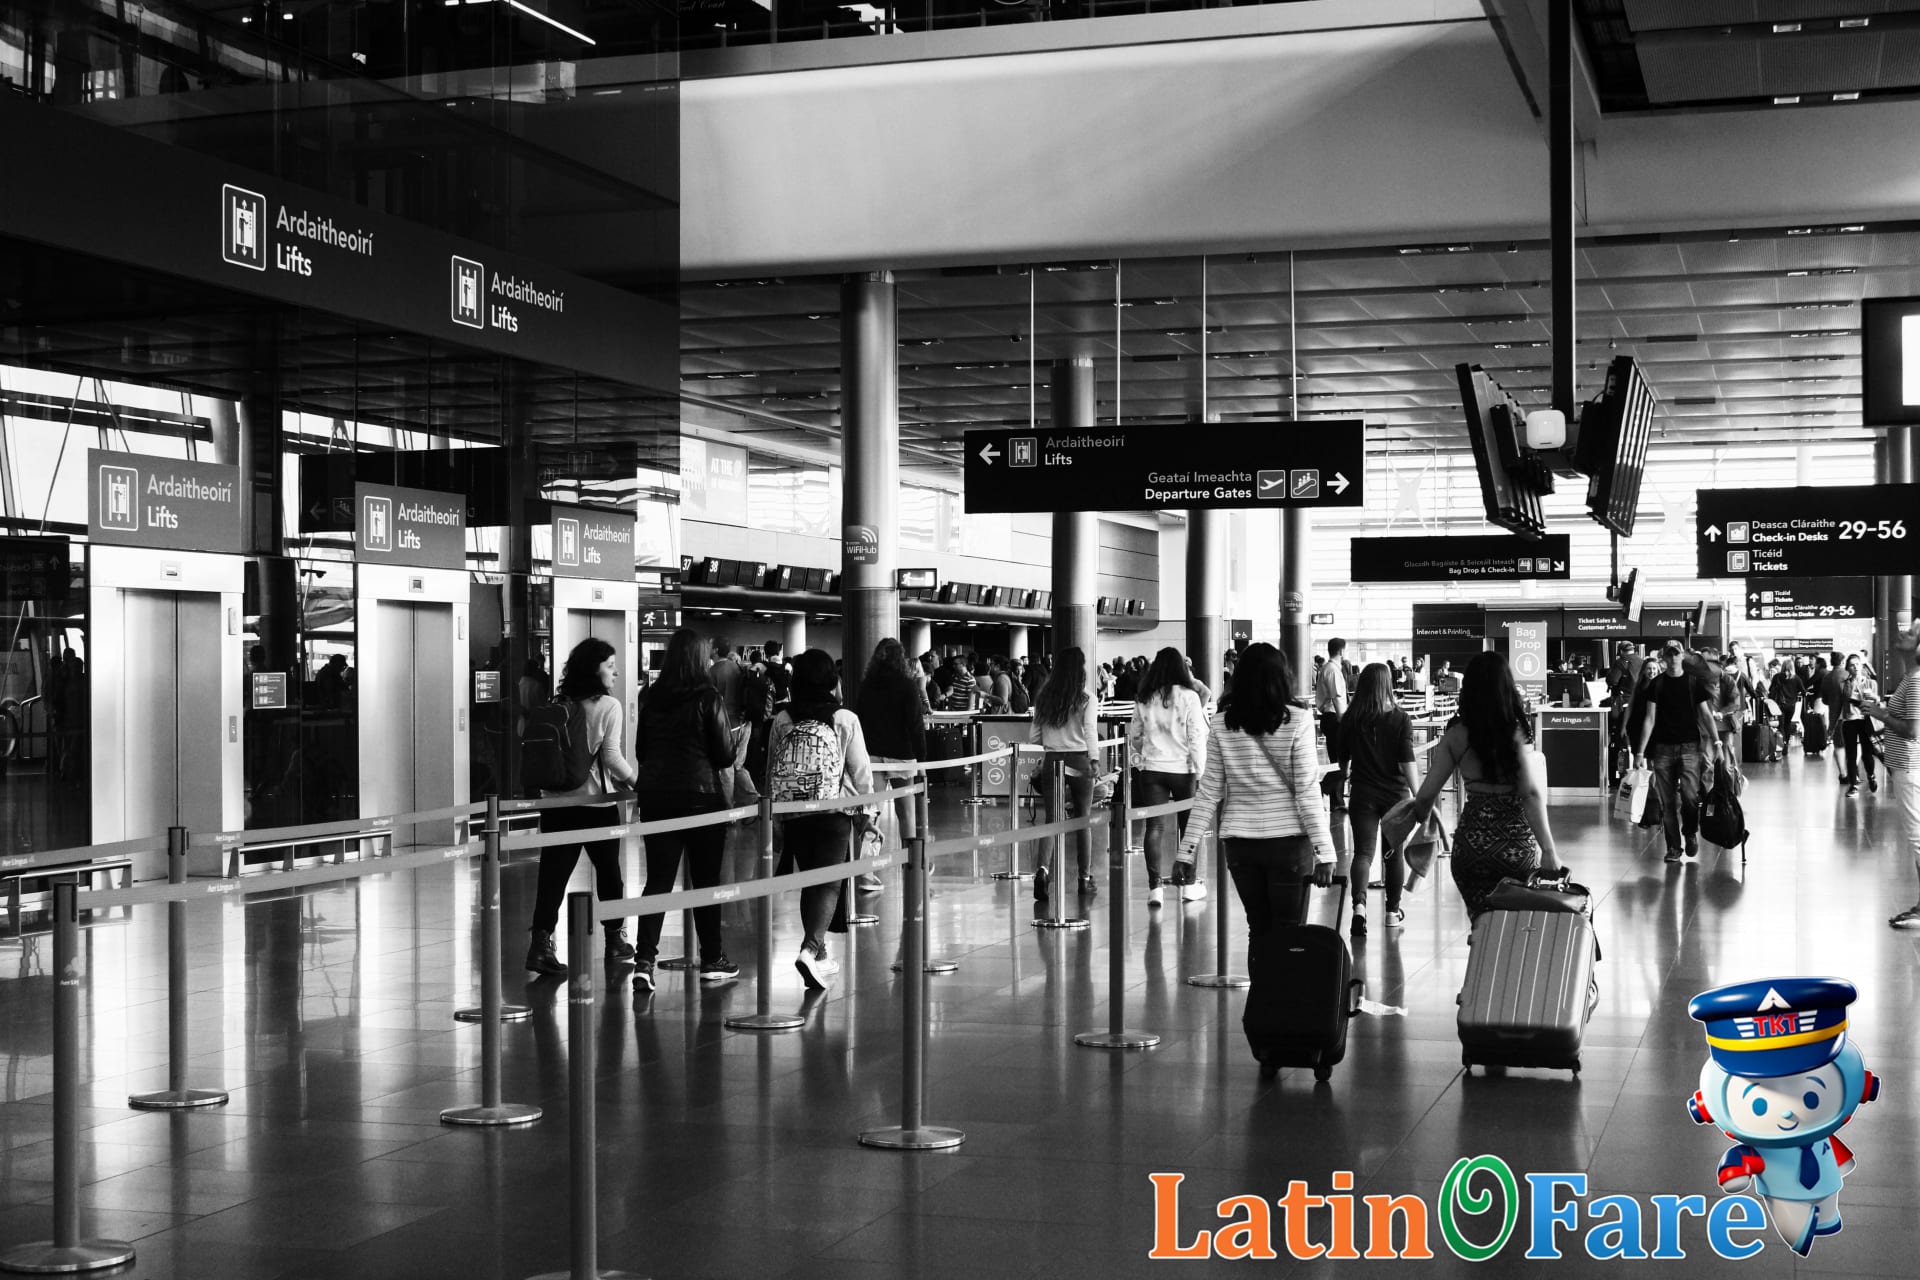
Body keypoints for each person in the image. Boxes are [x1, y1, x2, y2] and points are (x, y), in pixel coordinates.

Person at [1178, 644, 1335, 964]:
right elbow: (1306, 791)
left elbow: (1208, 792)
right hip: (1289, 844)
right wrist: (1325, 851)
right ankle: (1284, 1010)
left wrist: (1186, 852)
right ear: (1282, 677)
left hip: (1241, 846)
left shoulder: (1223, 723)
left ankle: (1260, 1010)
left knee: (1258, 931)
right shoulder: (1298, 721)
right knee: (1290, 934)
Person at [1392, 651, 1562, 920]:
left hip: (1470, 850)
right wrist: (1550, 851)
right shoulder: (1514, 732)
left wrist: (1418, 820)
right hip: (1515, 849)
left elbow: (1426, 796)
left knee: (1480, 926)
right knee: (1514, 931)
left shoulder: (1455, 735)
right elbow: (1529, 794)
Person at [629, 627, 740, 994]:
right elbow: (724, 755)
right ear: (697, 658)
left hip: (658, 797)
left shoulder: (651, 696)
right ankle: (713, 957)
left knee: (658, 880)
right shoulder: (708, 696)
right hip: (701, 798)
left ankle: (644, 961)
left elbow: (642, 749)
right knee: (706, 880)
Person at [525, 637, 639, 977]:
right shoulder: (608, 706)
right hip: (594, 804)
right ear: (595, 669)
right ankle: (615, 940)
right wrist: (635, 781)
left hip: (556, 803)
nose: (615, 672)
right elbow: (611, 757)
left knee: (553, 877)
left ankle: (540, 945)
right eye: (609, 665)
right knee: (609, 874)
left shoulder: (559, 702)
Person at [768, 649, 875, 989]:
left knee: (811, 881)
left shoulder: (783, 718)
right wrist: (867, 815)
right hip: (834, 811)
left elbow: (772, 769)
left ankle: (820, 951)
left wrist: (776, 819)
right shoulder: (845, 718)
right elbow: (860, 774)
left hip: (794, 811)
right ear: (832, 679)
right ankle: (810, 948)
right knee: (830, 882)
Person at [1337, 662, 1417, 938]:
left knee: (1363, 853)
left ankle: (1359, 908)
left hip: (1362, 793)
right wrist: (1420, 796)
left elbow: (1342, 758)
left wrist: (1345, 772)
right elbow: (1407, 761)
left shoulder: (1351, 718)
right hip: (1395, 795)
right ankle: (1392, 912)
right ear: (1387, 684)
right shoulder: (1399, 718)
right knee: (1392, 855)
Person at [1126, 647, 1208, 906]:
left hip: (1152, 768)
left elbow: (1135, 736)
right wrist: (1201, 771)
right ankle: (1189, 885)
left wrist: (1148, 752)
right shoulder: (1189, 697)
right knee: (1189, 828)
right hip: (1184, 770)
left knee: (1154, 827)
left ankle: (1155, 889)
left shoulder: (1144, 697)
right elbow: (1196, 737)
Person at [1631, 639, 1722, 863]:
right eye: (1669, 654)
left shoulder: (1693, 683)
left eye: (1676, 654)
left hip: (1690, 747)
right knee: (1667, 802)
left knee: (1690, 798)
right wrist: (1640, 752)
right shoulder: (1657, 685)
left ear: (1682, 656)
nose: (1672, 658)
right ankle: (1673, 847)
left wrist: (1717, 742)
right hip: (1662, 749)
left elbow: (1706, 715)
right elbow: (1649, 719)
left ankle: (1690, 832)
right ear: (1664, 657)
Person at [854, 638, 926, 891]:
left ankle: (865, 870)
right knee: (906, 812)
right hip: (901, 755)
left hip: (872, 755)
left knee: (869, 811)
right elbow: (916, 726)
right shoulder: (907, 686)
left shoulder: (867, 686)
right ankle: (912, 863)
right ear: (901, 658)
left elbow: (859, 720)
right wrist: (923, 759)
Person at [1860, 623, 1920, 928]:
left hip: (1910, 767)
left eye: (1909, 634)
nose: (1901, 634)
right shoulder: (1910, 678)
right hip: (1906, 766)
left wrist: (1879, 713)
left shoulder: (1916, 681)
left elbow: (1913, 731)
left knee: (1917, 836)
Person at [1030, 646, 1102, 897]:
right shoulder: (1087, 699)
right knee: (1083, 818)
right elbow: (1091, 729)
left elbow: (1034, 735)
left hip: (1052, 760)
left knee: (1052, 818)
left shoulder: (1044, 696)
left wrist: (1053, 744)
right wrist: (1094, 758)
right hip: (1080, 759)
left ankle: (1042, 870)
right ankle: (1084, 877)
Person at [1315, 637, 1350, 815]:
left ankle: (1337, 800)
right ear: (1342, 651)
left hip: (1332, 717)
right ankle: (1321, 788)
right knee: (1342, 762)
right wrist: (1345, 723)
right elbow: (1337, 699)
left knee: (1338, 761)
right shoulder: (1332, 670)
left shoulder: (1329, 669)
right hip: (1335, 719)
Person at [1839, 654, 1881, 797]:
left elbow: (1876, 702)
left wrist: (1875, 698)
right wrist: (1832, 726)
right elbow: (1840, 706)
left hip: (1866, 720)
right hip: (1849, 721)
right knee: (1851, 754)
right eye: (1852, 665)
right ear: (1848, 668)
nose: (1855, 667)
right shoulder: (1844, 684)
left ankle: (1871, 775)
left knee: (1867, 753)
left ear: (1862, 666)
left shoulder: (1871, 683)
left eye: (1858, 664)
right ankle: (1853, 785)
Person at [708, 638, 743, 720]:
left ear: (715, 650)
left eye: (709, 646)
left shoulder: (711, 671)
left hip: (720, 718)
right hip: (737, 717)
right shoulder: (737, 667)